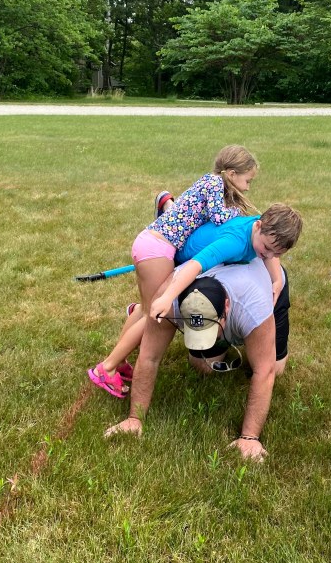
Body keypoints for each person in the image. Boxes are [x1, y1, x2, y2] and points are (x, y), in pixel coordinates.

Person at [88, 145, 260, 397]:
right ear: (232, 174)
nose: (247, 188)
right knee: (153, 315)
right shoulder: (214, 183)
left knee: (145, 309)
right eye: (247, 181)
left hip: (150, 244)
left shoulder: (210, 183)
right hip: (158, 250)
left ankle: (120, 362)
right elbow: (220, 218)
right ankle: (107, 368)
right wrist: (240, 215)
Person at [104, 254, 294, 460]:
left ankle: (240, 335)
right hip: (224, 309)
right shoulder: (168, 301)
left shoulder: (255, 306)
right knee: (203, 366)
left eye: (208, 329)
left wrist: (249, 437)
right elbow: (149, 357)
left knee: (275, 368)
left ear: (226, 307)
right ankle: (219, 336)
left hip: (269, 290)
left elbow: (264, 372)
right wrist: (135, 418)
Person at [149, 202, 302, 322]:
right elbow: (195, 265)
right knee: (155, 306)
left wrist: (277, 280)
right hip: (183, 256)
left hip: (209, 247)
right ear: (258, 226)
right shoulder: (235, 243)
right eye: (267, 248)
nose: (270, 255)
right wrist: (167, 298)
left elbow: (271, 252)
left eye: (278, 253)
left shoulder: (263, 230)